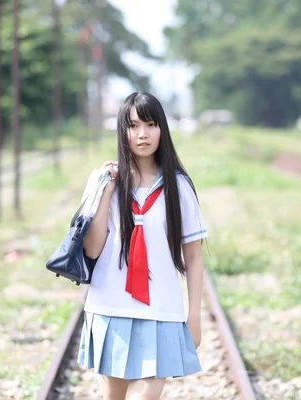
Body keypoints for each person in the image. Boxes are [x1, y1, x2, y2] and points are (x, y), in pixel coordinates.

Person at [77, 92, 208, 400]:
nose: (142, 134)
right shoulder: (102, 180)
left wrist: (195, 316)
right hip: (110, 304)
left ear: (162, 128)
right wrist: (108, 192)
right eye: (133, 125)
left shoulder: (178, 186)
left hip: (161, 307)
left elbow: (193, 255)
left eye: (150, 124)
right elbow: (92, 249)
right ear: (122, 131)